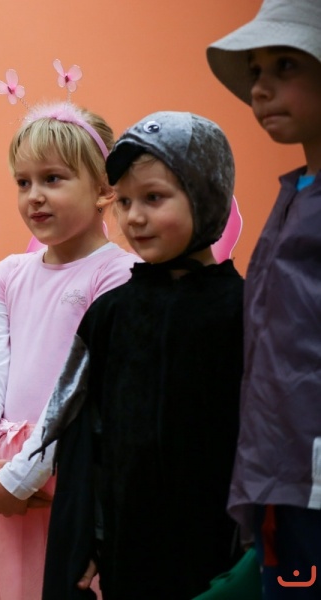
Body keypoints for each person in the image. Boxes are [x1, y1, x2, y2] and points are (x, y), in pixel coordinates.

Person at [0, 102, 138, 599]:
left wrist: (23, 477)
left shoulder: (119, 273)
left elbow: (82, 388)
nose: (34, 196)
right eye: (23, 182)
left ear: (104, 189)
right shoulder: (8, 274)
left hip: (66, 471)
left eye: (53, 179)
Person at [35, 112, 244, 599]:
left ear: (207, 194)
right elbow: (85, 437)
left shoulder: (247, 310)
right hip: (127, 554)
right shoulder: (110, 313)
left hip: (219, 552)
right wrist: (87, 539)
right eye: (125, 201)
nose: (133, 217)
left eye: (154, 198)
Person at [207, 1, 321, 596]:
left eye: (286, 65)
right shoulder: (294, 193)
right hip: (277, 475)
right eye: (255, 71)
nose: (261, 88)